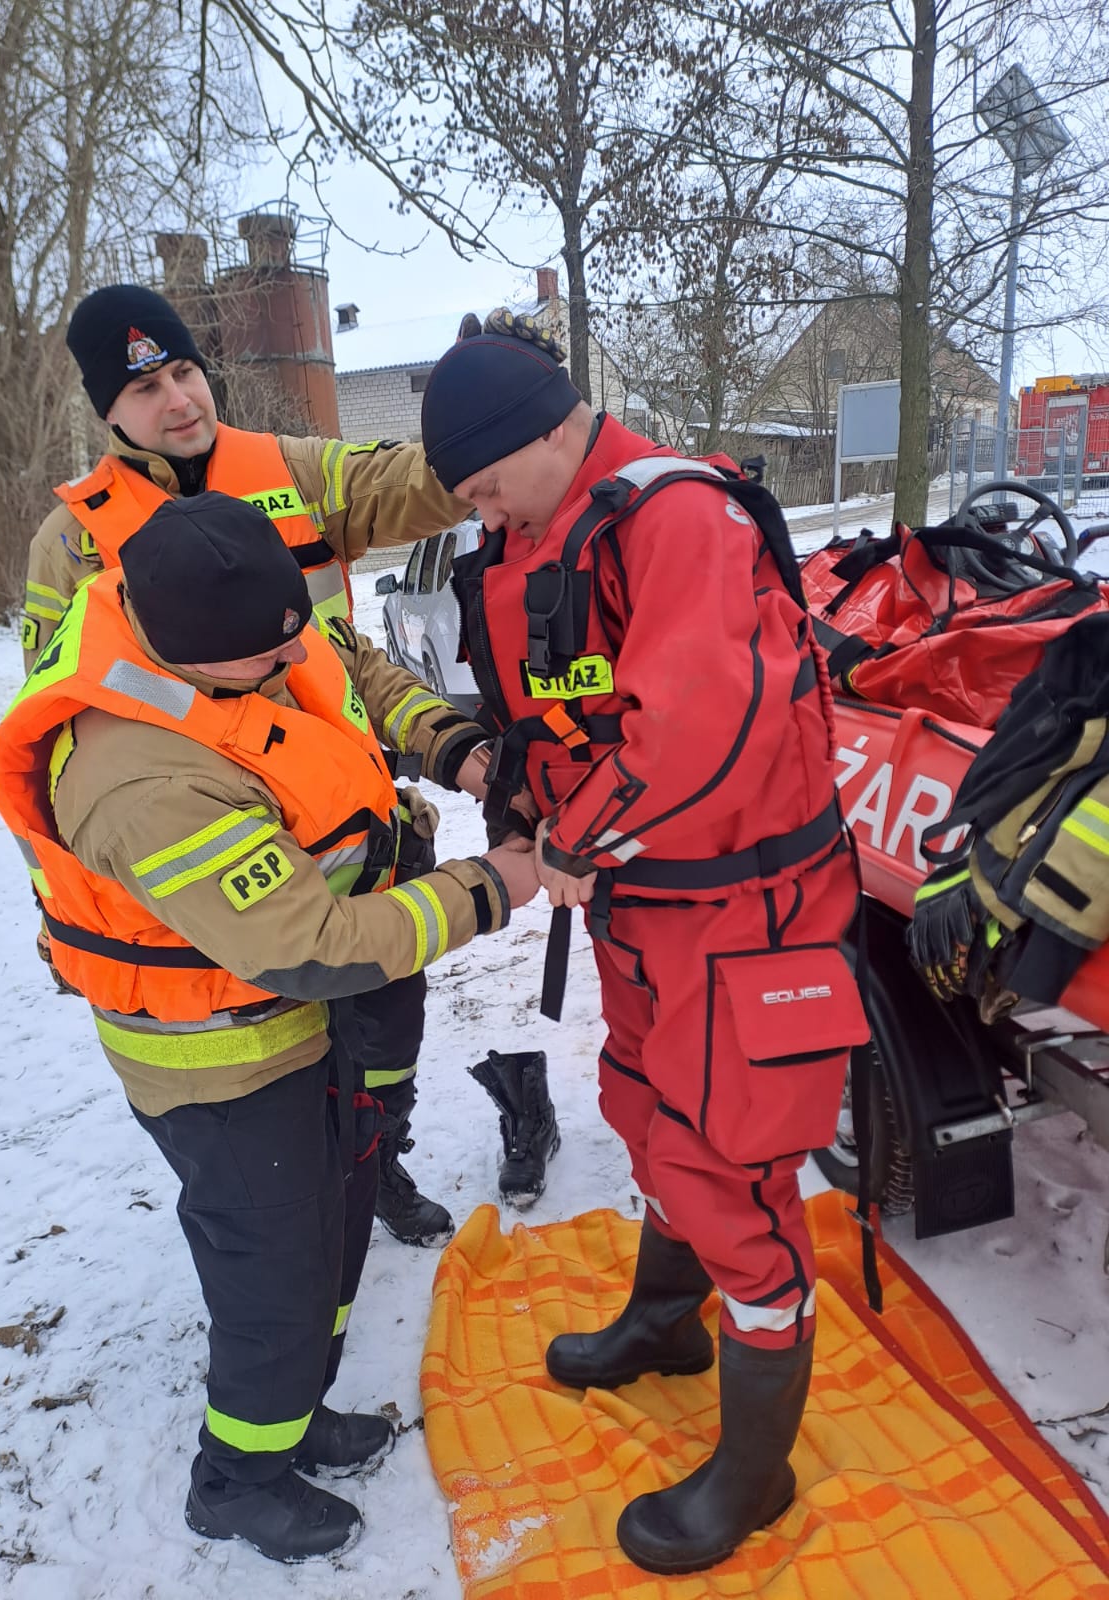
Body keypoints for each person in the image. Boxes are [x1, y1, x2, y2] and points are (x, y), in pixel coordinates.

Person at [0, 492, 539, 1562]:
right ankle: (236, 1480)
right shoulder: (137, 776)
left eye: (295, 635)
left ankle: (293, 1416)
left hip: (302, 1034)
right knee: (274, 1283)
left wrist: (460, 753)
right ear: (190, 652)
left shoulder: (241, 630)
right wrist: (494, 886)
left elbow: (343, 674)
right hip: (221, 1070)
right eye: (271, 653)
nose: (295, 657)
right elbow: (311, 943)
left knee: (329, 1241)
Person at [419, 313, 868, 1577]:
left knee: (733, 1161)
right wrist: (521, 799)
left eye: (486, 483)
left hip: (744, 907)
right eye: (467, 497)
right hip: (643, 900)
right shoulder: (537, 532)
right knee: (647, 1103)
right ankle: (670, 1322)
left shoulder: (679, 519)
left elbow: (695, 727)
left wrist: (572, 837)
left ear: (554, 428)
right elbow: (553, 708)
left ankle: (757, 1470)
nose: (481, 512)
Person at [23, 283, 474, 1247]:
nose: (179, 401)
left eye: (186, 373)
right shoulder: (74, 542)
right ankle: (305, 1207)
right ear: (107, 411)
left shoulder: (289, 470)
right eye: (145, 390)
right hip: (223, 854)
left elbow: (419, 484)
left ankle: (379, 1158)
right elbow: (55, 730)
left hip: (353, 828)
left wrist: (490, 404)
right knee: (288, 1069)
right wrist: (67, 909)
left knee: (387, 1030)